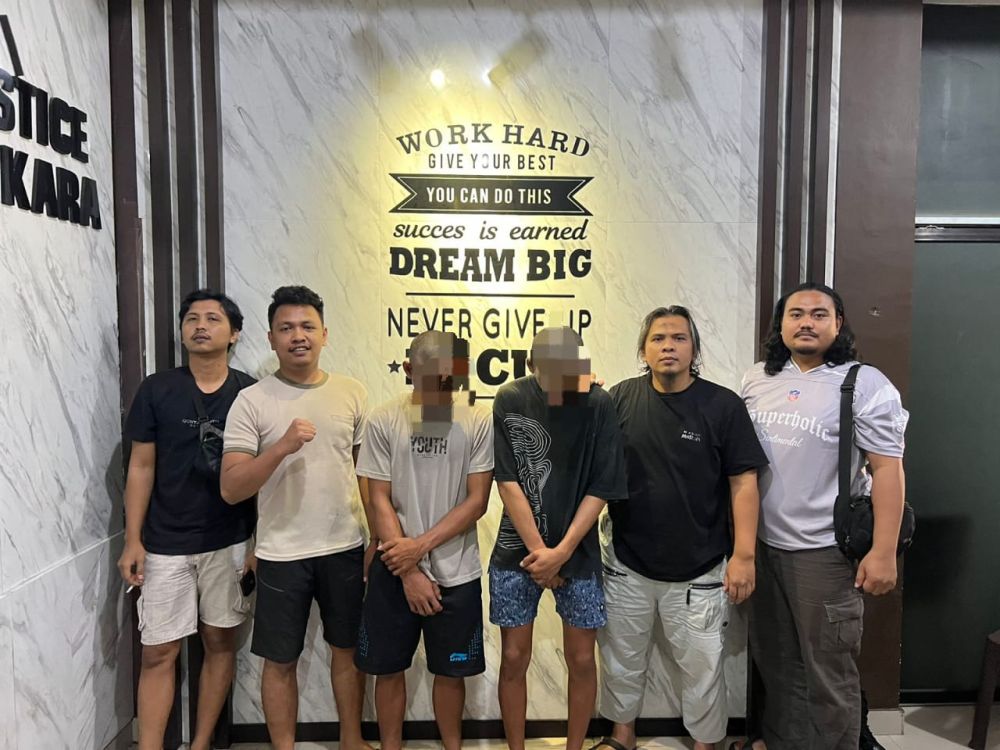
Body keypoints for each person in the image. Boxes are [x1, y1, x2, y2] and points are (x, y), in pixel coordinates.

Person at [740, 282, 908, 750]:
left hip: (825, 555)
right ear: (780, 324)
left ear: (838, 324)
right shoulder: (756, 380)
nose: (807, 323)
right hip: (764, 550)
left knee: (829, 672)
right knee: (778, 666)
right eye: (796, 314)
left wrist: (883, 552)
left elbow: (888, 471)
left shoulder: (863, 383)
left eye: (819, 314)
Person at [594, 306, 767, 750]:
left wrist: (744, 556)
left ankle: (706, 743)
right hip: (626, 562)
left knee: (703, 665)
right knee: (620, 657)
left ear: (694, 349)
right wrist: (577, 398)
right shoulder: (620, 398)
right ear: (643, 350)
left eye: (678, 338)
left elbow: (744, 483)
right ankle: (622, 735)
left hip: (700, 566)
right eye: (657, 338)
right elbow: (588, 459)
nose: (668, 346)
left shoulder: (722, 405)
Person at [220, 285, 373, 750]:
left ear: (325, 334)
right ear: (271, 339)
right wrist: (281, 446)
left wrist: (377, 540)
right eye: (286, 328)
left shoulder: (352, 392)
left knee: (347, 650)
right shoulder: (252, 400)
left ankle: (351, 741)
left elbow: (367, 476)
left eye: (307, 326)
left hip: (345, 545)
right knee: (280, 659)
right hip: (280, 552)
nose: (297, 336)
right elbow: (232, 488)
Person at [117, 288, 256, 750]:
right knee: (158, 650)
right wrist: (132, 539)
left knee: (220, 643)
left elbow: (265, 477)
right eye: (192, 318)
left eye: (213, 319)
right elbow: (140, 467)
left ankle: (200, 744)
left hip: (230, 538)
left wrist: (257, 545)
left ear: (234, 334)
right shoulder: (157, 389)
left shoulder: (250, 392)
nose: (200, 326)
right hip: (164, 541)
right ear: (181, 332)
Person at [489, 326, 628, 750]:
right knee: (514, 657)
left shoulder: (598, 404)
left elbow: (602, 486)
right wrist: (541, 554)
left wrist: (562, 552)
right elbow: (507, 481)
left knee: (582, 659)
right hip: (518, 550)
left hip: (578, 550)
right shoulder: (510, 398)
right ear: (531, 364)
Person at [354, 330, 493, 750]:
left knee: (451, 673)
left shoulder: (477, 419)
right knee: (387, 669)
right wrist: (409, 569)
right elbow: (377, 497)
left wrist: (420, 547)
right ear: (409, 369)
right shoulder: (384, 418)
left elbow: (477, 500)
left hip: (456, 568)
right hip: (394, 565)